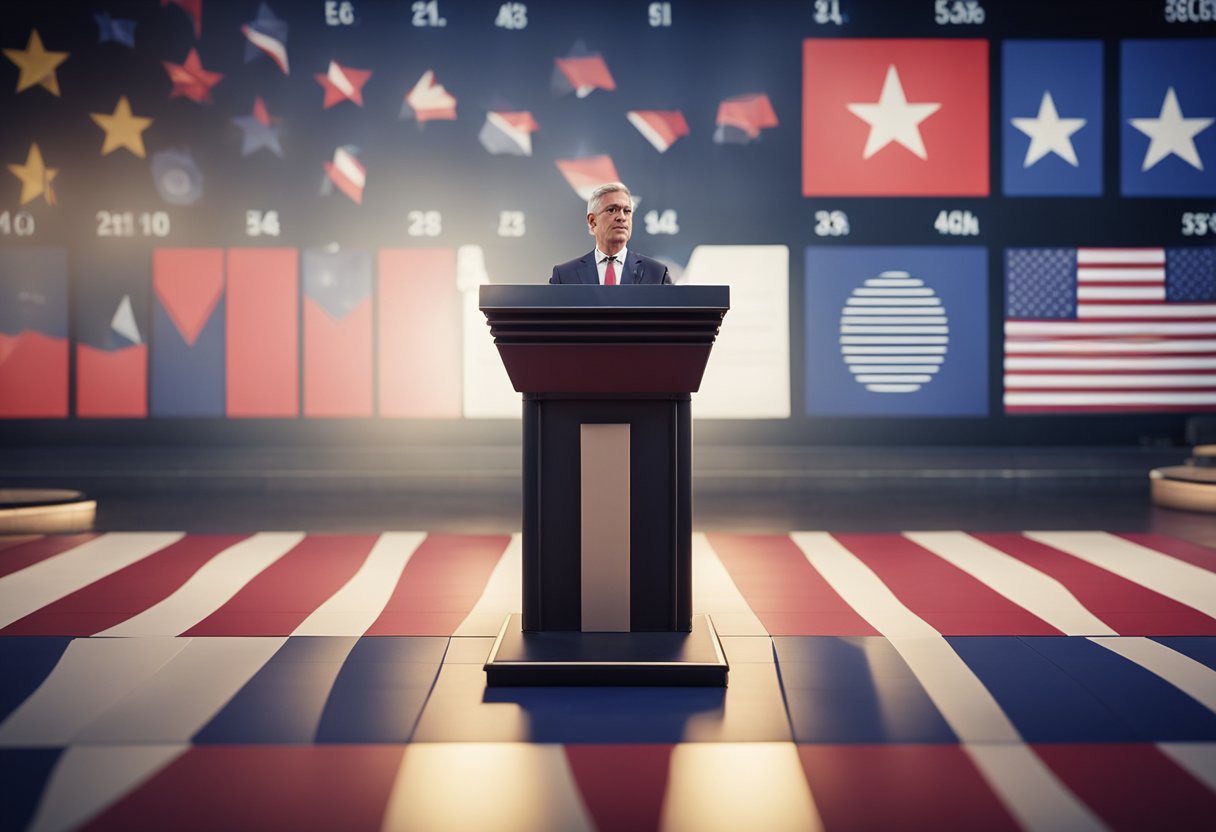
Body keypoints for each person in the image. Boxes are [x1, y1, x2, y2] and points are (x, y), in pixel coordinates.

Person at [550, 182, 672, 285]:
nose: (622, 217)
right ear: (593, 221)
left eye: (627, 211)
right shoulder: (564, 276)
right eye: (612, 210)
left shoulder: (657, 274)